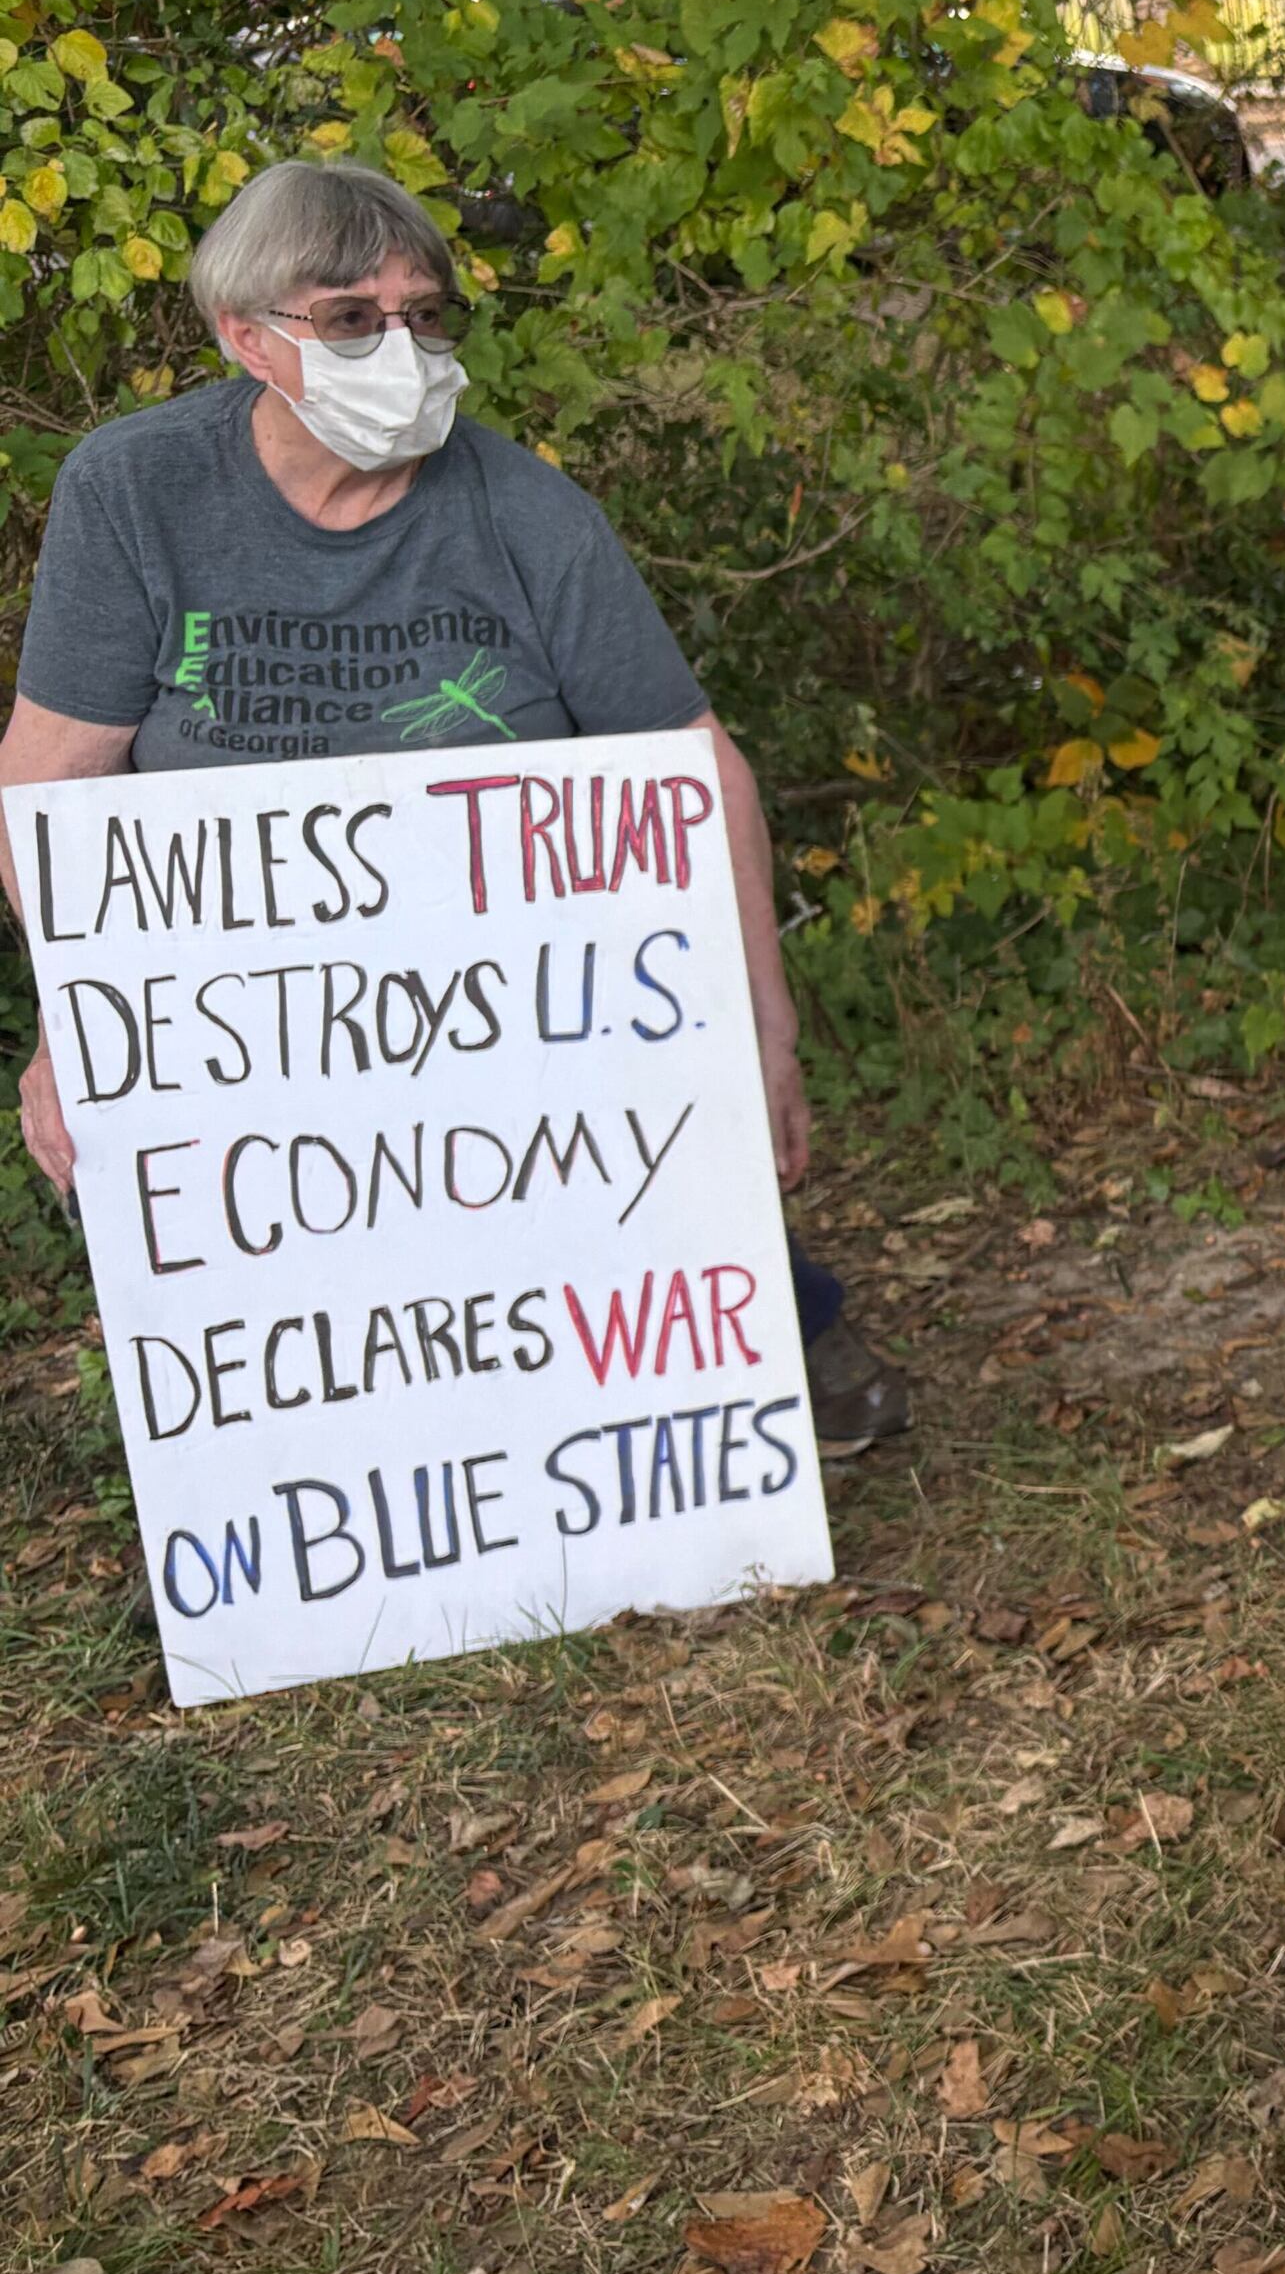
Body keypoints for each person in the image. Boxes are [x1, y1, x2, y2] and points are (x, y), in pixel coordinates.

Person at [4, 156, 910, 1448]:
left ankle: (758, 1320)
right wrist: (79, 1028)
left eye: (426, 314)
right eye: (355, 318)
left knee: (624, 1121)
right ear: (247, 338)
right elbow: (47, 788)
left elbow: (702, 767)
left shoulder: (526, 511)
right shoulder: (136, 493)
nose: (405, 347)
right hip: (242, 1023)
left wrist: (763, 1026)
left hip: (505, 1013)